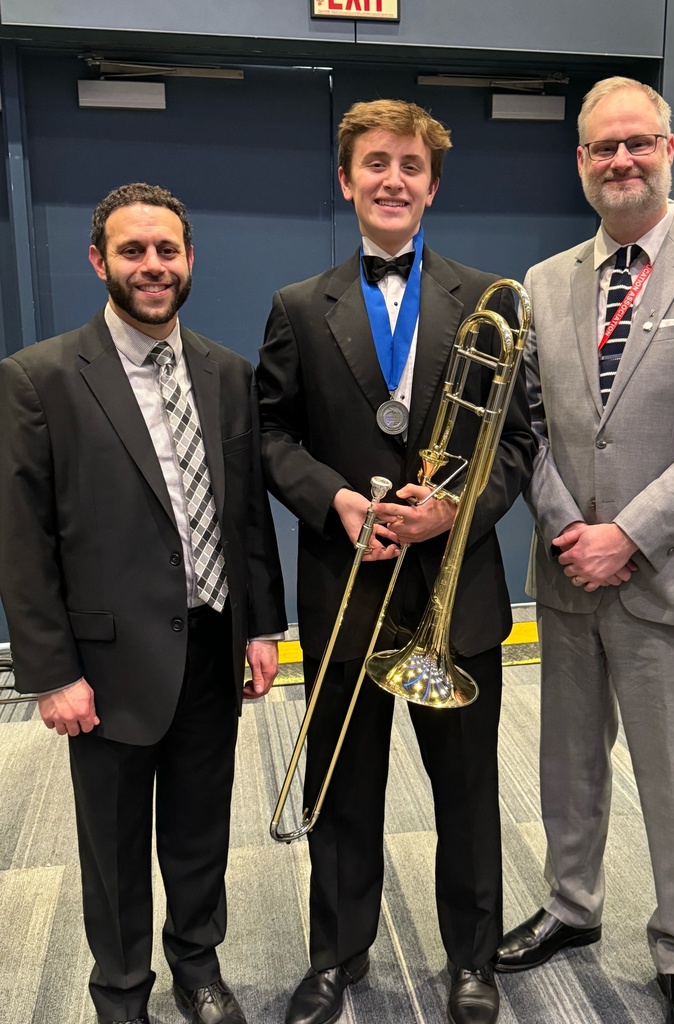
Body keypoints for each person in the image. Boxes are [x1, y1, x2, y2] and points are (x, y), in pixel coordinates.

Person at [492, 78, 674, 1024]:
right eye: (603, 148)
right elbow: (526, 427)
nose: (621, 161)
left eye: (638, 144)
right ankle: (573, 907)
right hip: (569, 574)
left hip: (669, 576)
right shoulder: (543, 281)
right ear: (579, 161)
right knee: (568, 766)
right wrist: (573, 533)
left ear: (670, 149)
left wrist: (628, 538)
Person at [257, 99, 535, 1024]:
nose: (392, 179)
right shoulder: (299, 306)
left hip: (455, 600)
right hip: (348, 586)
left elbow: (520, 445)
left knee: (468, 794)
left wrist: (457, 511)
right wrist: (333, 499)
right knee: (343, 789)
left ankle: (472, 959)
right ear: (346, 179)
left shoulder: (492, 298)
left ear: (433, 184)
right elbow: (270, 434)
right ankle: (336, 957)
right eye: (374, 162)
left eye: (410, 165)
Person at [0, 183, 287, 1024]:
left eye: (167, 251)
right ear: (100, 261)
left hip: (210, 642)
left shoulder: (228, 373)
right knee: (116, 843)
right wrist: (51, 672)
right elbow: (22, 541)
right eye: (133, 251)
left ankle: (197, 964)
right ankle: (121, 990)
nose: (152, 267)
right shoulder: (39, 379)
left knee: (200, 828)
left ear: (189, 260)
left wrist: (263, 622)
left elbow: (245, 515)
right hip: (106, 660)